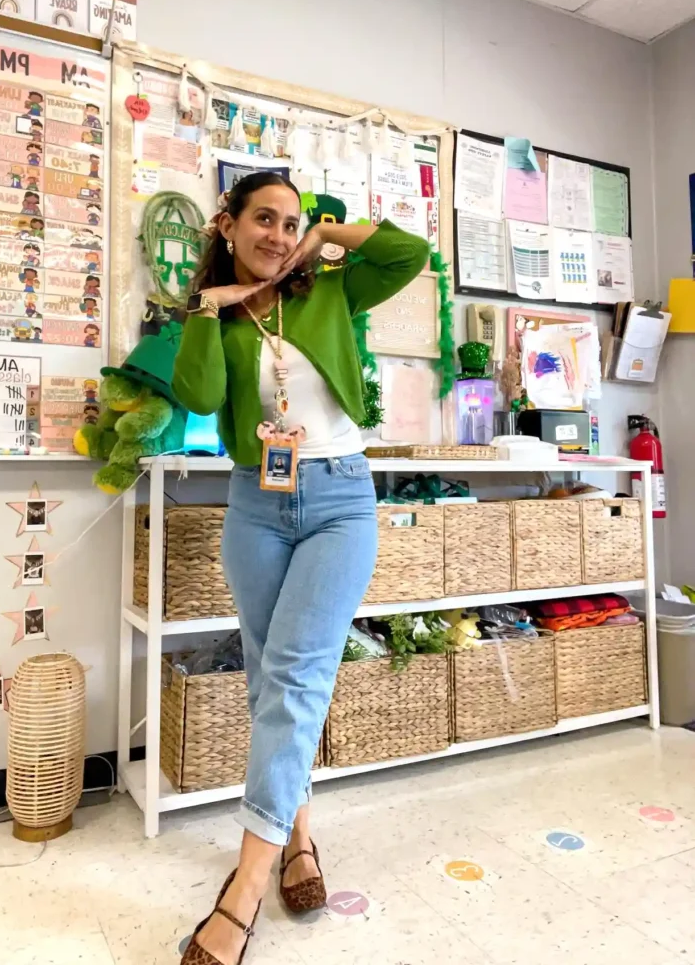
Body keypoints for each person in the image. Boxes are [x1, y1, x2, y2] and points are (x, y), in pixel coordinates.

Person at [172, 171, 428, 965]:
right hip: (255, 502)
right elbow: (200, 391)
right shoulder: (216, 309)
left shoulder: (327, 293)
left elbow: (407, 252)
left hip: (340, 500)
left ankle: (242, 888)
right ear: (229, 223)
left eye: (289, 223)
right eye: (263, 220)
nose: (278, 236)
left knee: (296, 675)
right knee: (267, 679)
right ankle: (297, 839)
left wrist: (325, 235)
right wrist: (205, 313)